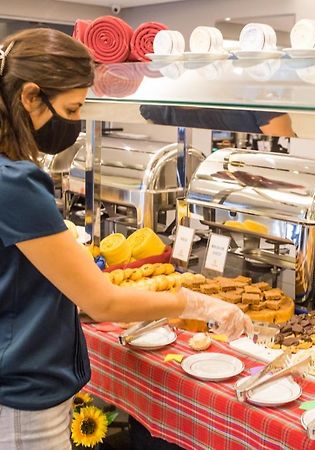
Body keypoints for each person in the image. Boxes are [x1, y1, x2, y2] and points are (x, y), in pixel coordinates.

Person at [0, 28, 252, 450]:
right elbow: (104, 302)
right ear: (29, 96)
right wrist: (195, 302)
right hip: (24, 397)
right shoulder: (16, 183)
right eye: (72, 107)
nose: (75, 121)